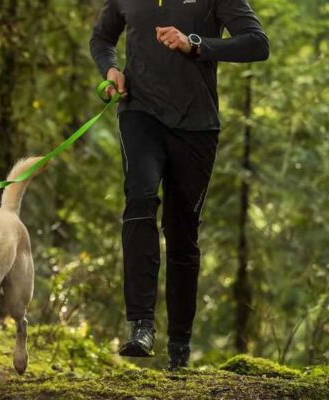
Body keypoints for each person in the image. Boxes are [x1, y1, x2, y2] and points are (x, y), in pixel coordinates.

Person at [89, 0, 269, 369]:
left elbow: (256, 43)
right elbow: (102, 37)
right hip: (139, 113)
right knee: (139, 199)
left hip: (197, 125)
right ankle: (140, 326)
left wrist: (197, 44)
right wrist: (110, 69)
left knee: (182, 231)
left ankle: (179, 348)